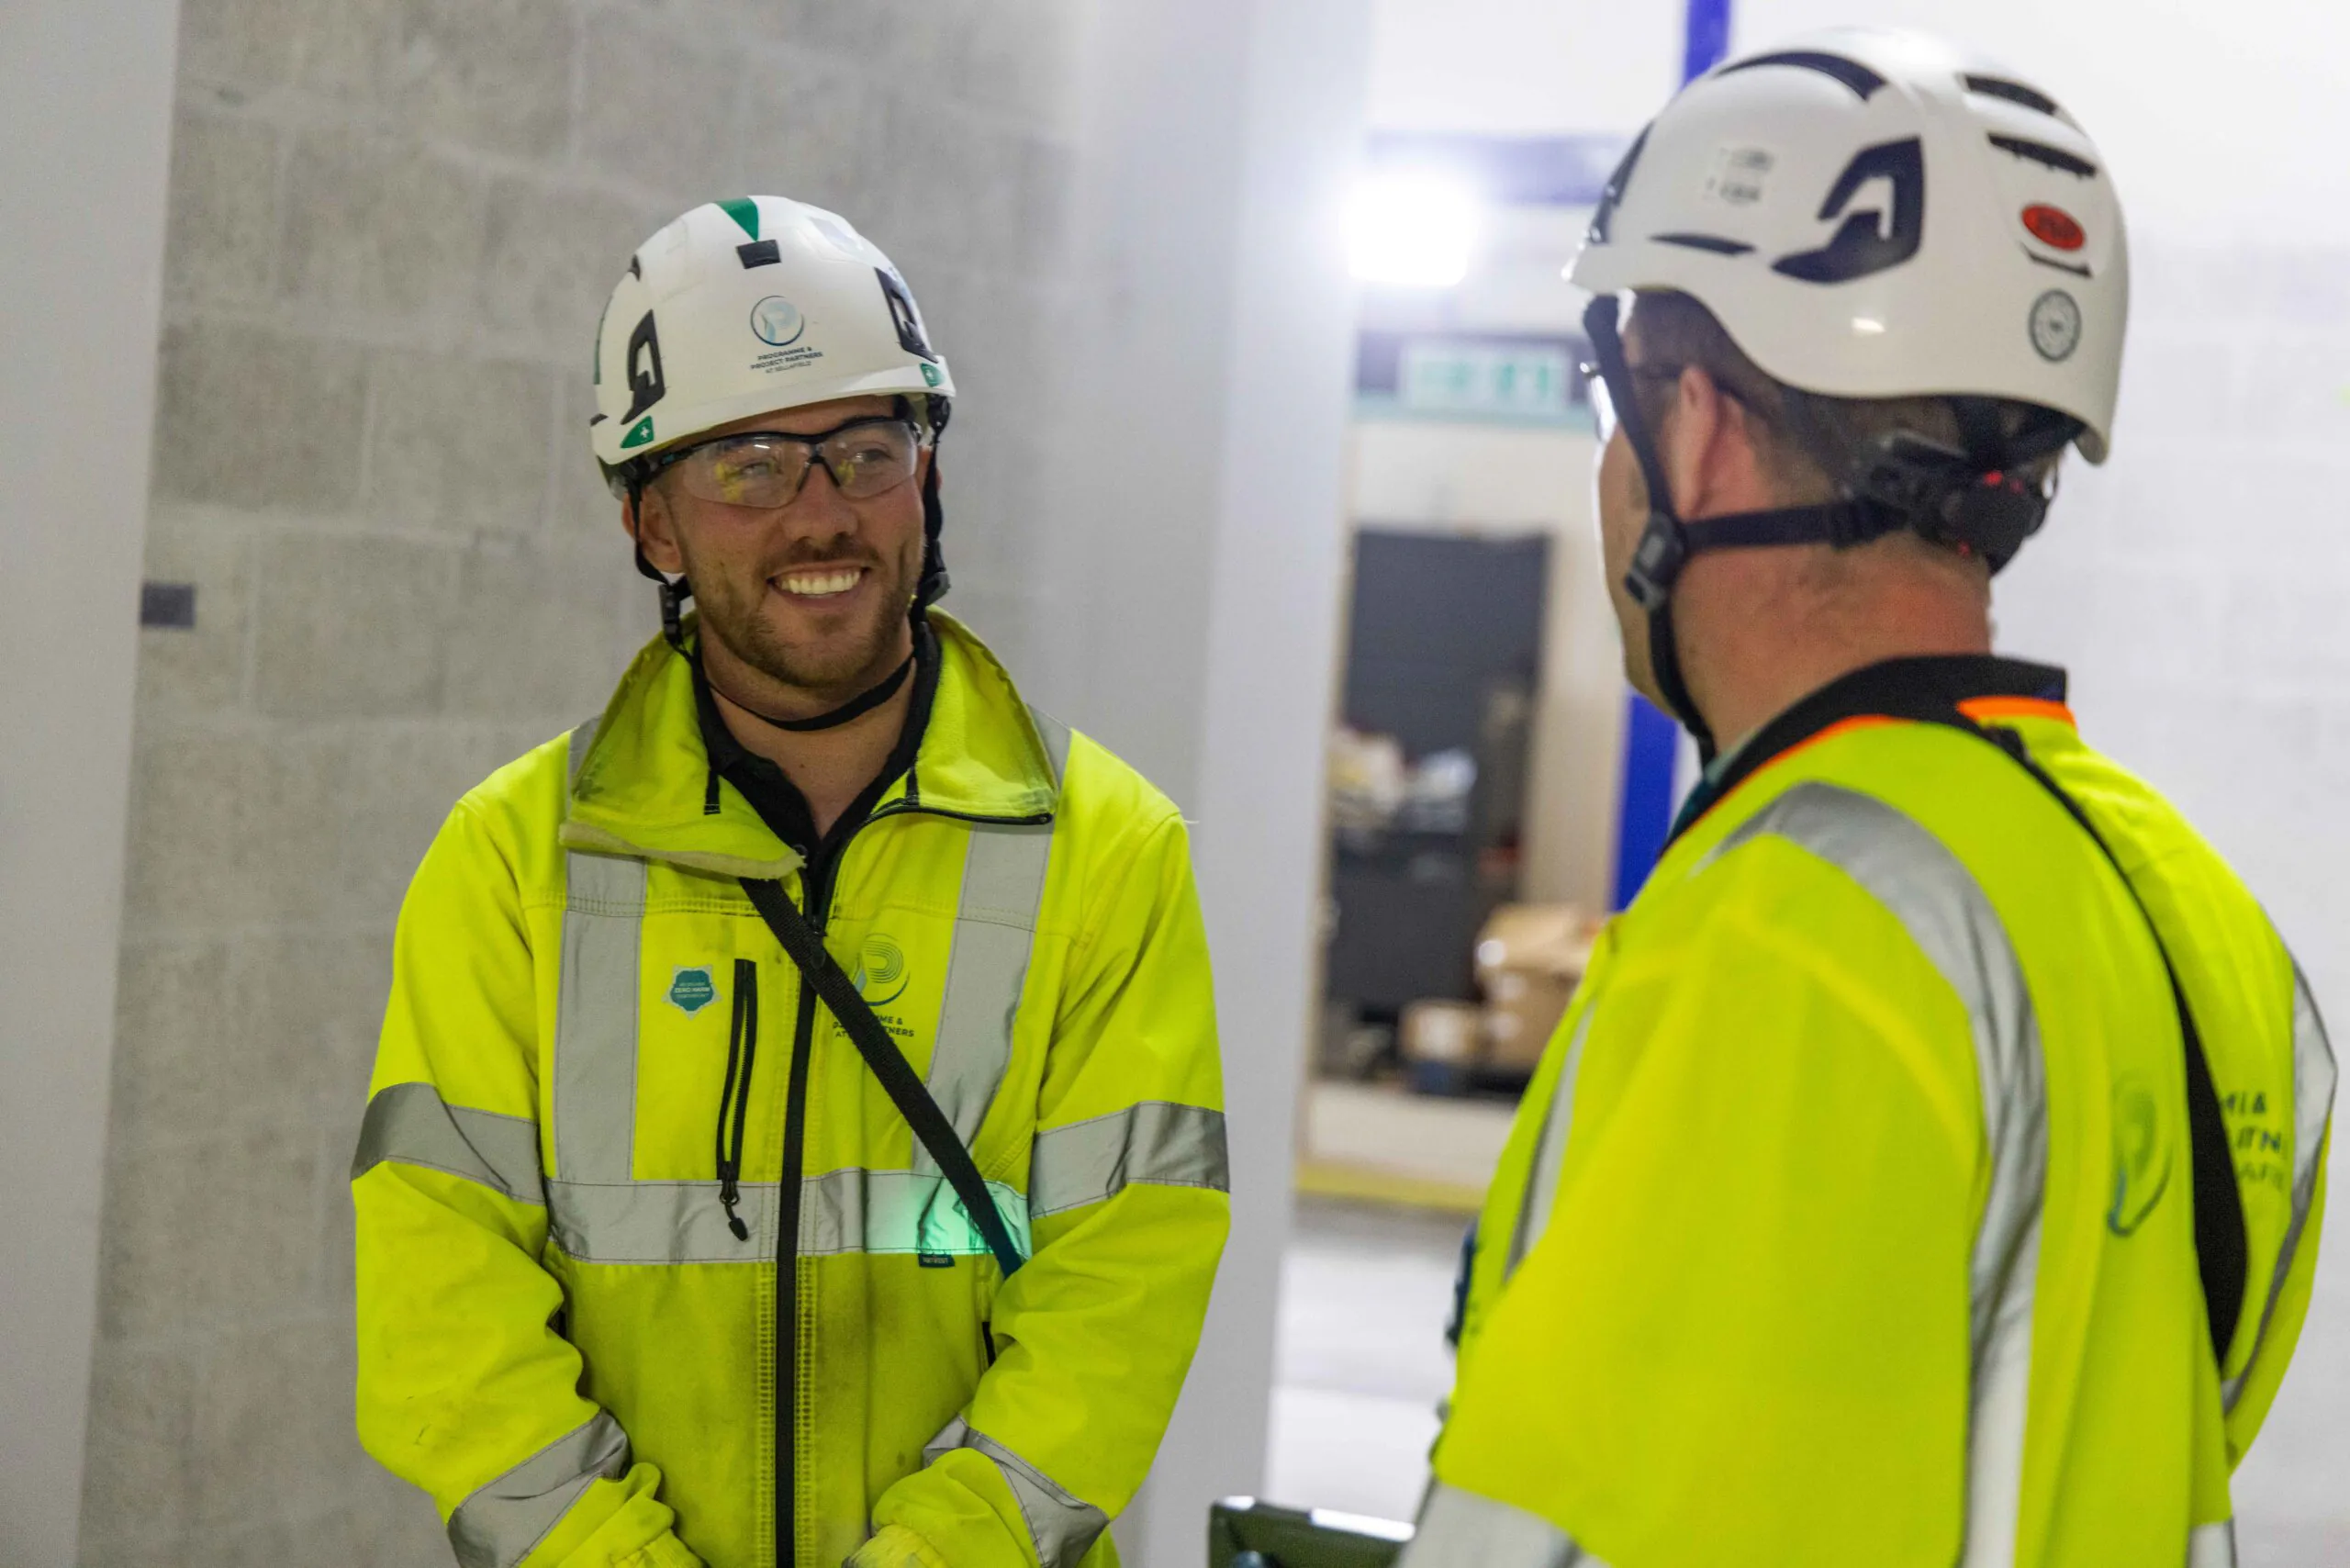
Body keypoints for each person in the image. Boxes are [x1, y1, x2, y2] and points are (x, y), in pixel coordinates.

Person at [1401, 29, 2334, 1568]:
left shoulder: (1783, 933)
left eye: (1608, 405)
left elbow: (1566, 1536)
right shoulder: (2204, 925)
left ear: (1688, 426)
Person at [351, 196, 1230, 1568]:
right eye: (752, 466)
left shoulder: (1108, 850)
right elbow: (441, 1292)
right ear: (653, 524)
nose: (824, 515)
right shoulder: (517, 863)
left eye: (866, 450)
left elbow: (1126, 1284)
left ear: (925, 479)